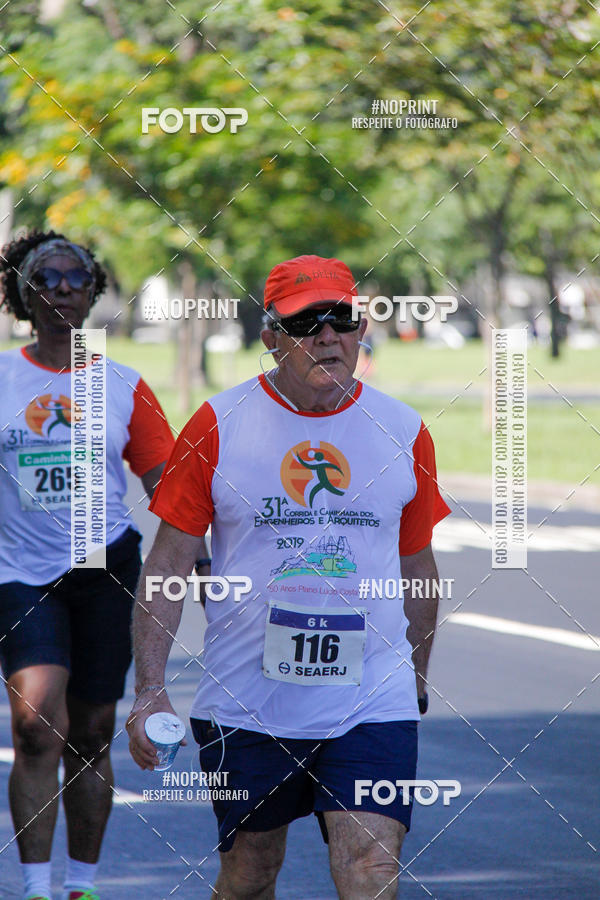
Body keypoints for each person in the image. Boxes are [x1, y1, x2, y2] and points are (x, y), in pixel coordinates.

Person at [127, 254, 451, 899]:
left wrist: (413, 676)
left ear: (361, 331)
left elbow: (417, 566)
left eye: (342, 319)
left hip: (371, 697)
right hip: (248, 698)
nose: (328, 336)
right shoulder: (217, 424)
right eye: (307, 322)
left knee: (372, 864)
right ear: (270, 336)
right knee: (251, 872)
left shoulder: (404, 430)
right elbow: (167, 565)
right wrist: (150, 690)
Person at [0, 231, 175, 900]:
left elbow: (169, 486)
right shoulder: (4, 378)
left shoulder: (123, 383)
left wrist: (211, 557)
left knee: (94, 730)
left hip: (104, 566)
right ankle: (37, 889)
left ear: (94, 290)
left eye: (79, 277)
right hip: (20, 572)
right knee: (37, 723)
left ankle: (83, 885)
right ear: (26, 293)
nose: (66, 287)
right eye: (50, 276)